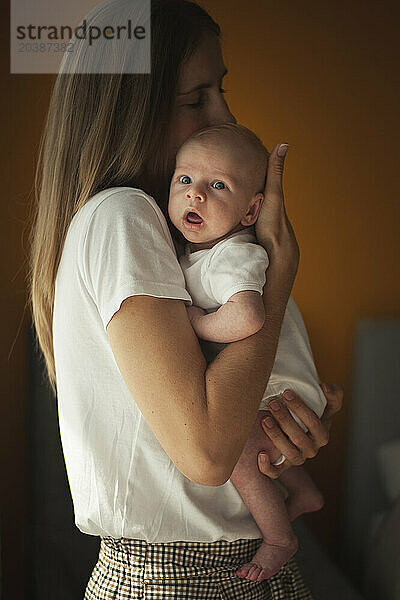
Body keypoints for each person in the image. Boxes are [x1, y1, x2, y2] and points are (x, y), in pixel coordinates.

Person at [28, 0, 343, 598]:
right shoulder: (124, 217)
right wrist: (280, 271)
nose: (223, 113)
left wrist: (287, 435)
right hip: (180, 580)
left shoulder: (185, 247)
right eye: (196, 98)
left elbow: (212, 437)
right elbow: (205, 455)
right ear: (129, 111)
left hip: (241, 564)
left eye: (220, 90)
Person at [168, 121, 326, 581]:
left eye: (217, 185)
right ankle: (305, 491)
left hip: (279, 392)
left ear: (251, 210)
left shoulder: (233, 256)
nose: (195, 195)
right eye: (185, 180)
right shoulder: (202, 254)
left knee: (239, 455)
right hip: (282, 390)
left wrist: (196, 322)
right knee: (258, 442)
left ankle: (280, 538)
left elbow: (249, 317)